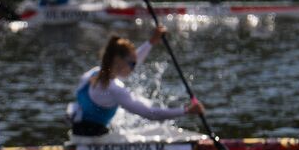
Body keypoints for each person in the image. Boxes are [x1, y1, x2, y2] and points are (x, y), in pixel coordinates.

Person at [67, 25, 206, 137]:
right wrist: (186, 111)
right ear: (118, 61)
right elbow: (150, 114)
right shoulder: (115, 89)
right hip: (93, 139)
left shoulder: (94, 73)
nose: (134, 68)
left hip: (78, 133)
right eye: (132, 64)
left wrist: (151, 42)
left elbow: (135, 59)